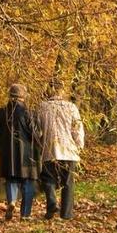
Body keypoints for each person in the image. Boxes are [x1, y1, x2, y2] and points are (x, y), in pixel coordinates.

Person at [34, 85, 84, 220]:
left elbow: (36, 131)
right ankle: (66, 214)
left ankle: (52, 205)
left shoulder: (42, 107)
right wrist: (79, 145)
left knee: (48, 179)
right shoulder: (71, 107)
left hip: (50, 150)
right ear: (63, 92)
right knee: (68, 182)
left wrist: (40, 145)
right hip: (69, 151)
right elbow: (77, 129)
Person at [0, 83, 39, 220]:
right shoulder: (29, 113)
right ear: (23, 97)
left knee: (11, 179)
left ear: (10, 95)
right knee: (28, 181)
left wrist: (1, 148)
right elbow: (36, 134)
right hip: (27, 155)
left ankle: (12, 201)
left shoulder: (1, 113)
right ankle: (25, 214)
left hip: (7, 153)